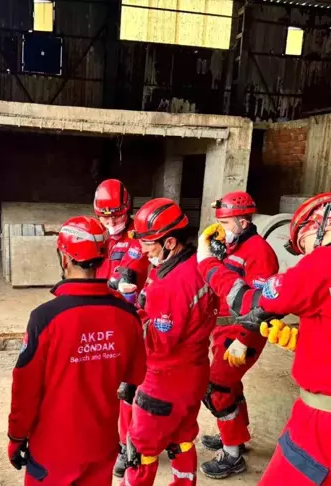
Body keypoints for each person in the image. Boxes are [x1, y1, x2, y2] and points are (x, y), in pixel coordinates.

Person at [197, 192, 331, 485]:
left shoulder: (327, 262)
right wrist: (306, 340)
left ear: (317, 226)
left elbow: (250, 301)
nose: (306, 255)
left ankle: (232, 451)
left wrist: (206, 263)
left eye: (304, 246)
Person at [8, 215, 146, 486]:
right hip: (101, 444)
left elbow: (25, 389)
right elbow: (136, 374)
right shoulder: (127, 315)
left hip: (53, 450)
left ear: (64, 258)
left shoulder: (45, 318)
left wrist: (16, 437)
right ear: (103, 258)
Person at [122, 198, 219, 486]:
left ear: (170, 242)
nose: (143, 250)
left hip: (163, 381)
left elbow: (159, 343)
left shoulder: (173, 283)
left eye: (148, 243)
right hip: (194, 374)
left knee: (141, 449)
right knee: (182, 439)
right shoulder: (195, 264)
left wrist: (131, 312)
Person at [199, 191, 279, 479]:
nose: (223, 229)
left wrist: (244, 340)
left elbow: (262, 305)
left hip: (243, 331)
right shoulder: (233, 247)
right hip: (224, 329)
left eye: (227, 223)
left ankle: (231, 454)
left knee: (218, 388)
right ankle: (236, 436)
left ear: (244, 223)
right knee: (230, 385)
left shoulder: (259, 253)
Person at [92, 179, 150, 478]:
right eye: (105, 216)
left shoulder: (138, 237)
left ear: (127, 210)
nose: (110, 221)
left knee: (128, 390)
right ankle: (112, 439)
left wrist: (115, 284)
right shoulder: (98, 233)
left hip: (129, 320)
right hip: (100, 317)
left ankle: (127, 446)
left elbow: (130, 274)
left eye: (116, 216)